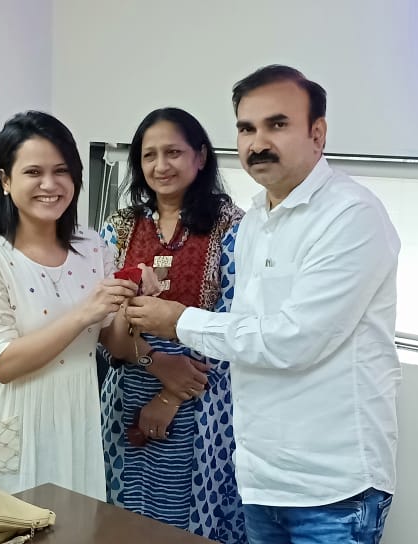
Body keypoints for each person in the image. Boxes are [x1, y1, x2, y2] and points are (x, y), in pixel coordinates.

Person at [126, 65, 402, 544]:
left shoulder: (350, 215)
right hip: (260, 475)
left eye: (277, 124)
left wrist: (179, 321)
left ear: (317, 133)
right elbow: (243, 331)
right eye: (246, 128)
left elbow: (295, 340)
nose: (258, 143)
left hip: (332, 485)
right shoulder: (256, 219)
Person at [0, 111, 152, 500]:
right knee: (5, 524)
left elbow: (118, 344)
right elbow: (2, 364)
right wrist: (85, 312)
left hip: (76, 419)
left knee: (73, 524)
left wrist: (131, 296)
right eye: (33, 172)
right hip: (8, 421)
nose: (50, 184)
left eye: (61, 171)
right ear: (5, 180)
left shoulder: (93, 247)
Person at [98, 107, 246, 542]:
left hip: (202, 398)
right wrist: (154, 362)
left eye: (173, 153)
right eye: (149, 156)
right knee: (122, 516)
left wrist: (170, 396)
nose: (161, 166)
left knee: (185, 521)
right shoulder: (121, 226)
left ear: (200, 156)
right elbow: (101, 317)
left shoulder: (233, 227)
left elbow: (236, 323)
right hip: (126, 387)